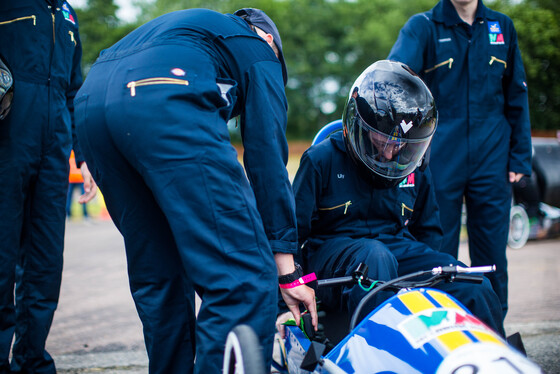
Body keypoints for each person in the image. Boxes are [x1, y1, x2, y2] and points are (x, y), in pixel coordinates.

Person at [73, 7, 317, 373]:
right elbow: (267, 156)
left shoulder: (187, 32)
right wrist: (286, 269)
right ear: (269, 40)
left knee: (161, 278)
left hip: (91, 106)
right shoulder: (259, 48)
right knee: (242, 278)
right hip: (163, 95)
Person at [292, 60, 504, 337]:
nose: (392, 154)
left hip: (394, 250)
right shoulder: (321, 160)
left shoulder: (414, 167)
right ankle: (380, 352)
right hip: (331, 255)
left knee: (470, 281)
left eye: (401, 144)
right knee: (375, 259)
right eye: (383, 141)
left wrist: (434, 276)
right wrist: (287, 291)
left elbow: (428, 232)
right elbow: (291, 231)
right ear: (361, 126)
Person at [387, 0, 532, 318]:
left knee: (493, 257)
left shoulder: (502, 27)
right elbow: (394, 80)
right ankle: (440, 328)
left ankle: (494, 331)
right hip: (440, 159)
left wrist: (520, 158)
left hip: (493, 158)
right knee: (437, 254)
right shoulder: (423, 26)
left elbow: (516, 94)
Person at [0, 1, 96, 373]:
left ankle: (32, 360)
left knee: (45, 264)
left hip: (54, 152)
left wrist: (82, 156)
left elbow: (73, 92)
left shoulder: (68, 15)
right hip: (8, 145)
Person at [67, 150, 89, 220]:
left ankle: (68, 214)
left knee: (69, 197)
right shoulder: (79, 152)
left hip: (71, 178)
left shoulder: (69, 153)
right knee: (84, 196)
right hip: (80, 177)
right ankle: (85, 214)